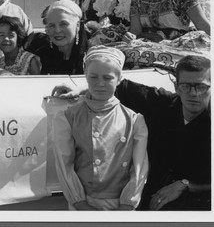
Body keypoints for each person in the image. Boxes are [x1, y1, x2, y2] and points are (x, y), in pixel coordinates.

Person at [52, 55, 211, 211]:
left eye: (201, 86)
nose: (194, 93)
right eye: (186, 86)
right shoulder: (164, 104)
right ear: (176, 87)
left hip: (200, 202)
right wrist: (79, 89)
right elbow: (119, 85)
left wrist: (186, 185)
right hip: (152, 197)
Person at [51, 46, 149, 210]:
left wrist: (127, 204)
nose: (100, 84)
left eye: (108, 78)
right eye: (94, 77)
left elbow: (139, 168)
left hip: (119, 204)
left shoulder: (134, 120)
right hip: (83, 203)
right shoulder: (68, 117)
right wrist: (79, 203)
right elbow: (64, 163)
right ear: (86, 76)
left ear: (119, 79)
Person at [32, 0, 88, 75]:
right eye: (51, 25)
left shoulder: (91, 57)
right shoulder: (41, 57)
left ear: (77, 26)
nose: (57, 30)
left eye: (63, 24)